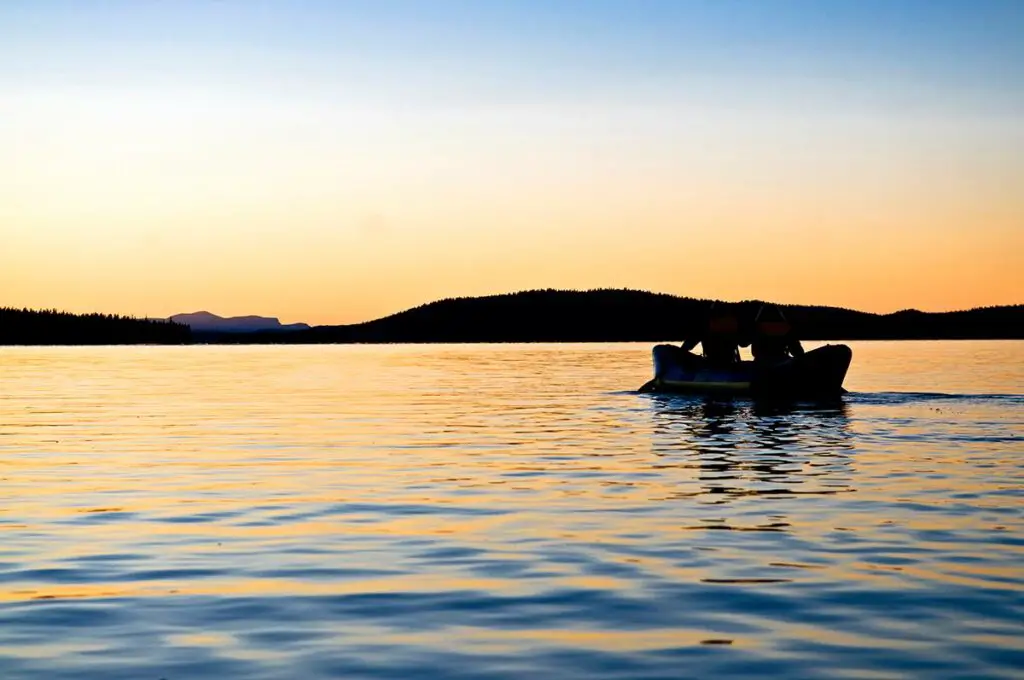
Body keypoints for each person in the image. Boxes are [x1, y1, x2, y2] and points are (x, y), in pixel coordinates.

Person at [681, 302, 746, 365]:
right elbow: (743, 343)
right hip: (728, 362)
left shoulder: (705, 326)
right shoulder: (732, 324)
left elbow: (689, 344)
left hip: (715, 362)